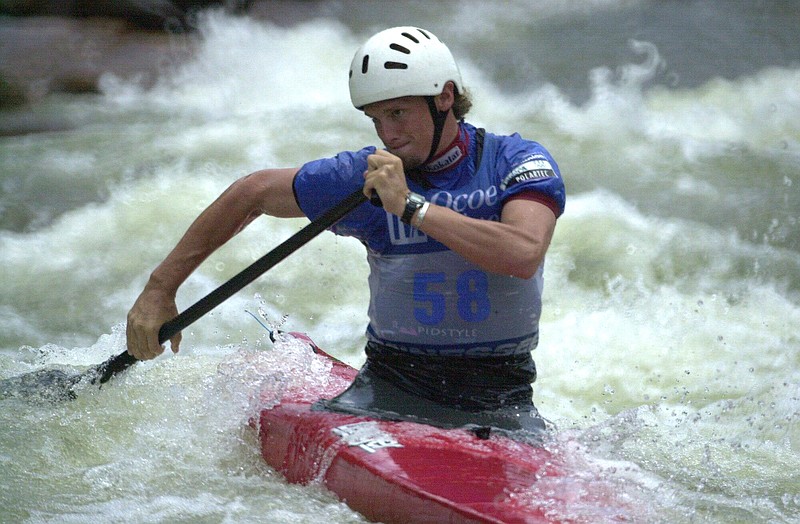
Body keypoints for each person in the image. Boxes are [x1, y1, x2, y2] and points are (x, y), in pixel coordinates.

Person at [126, 26, 565, 437]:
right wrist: (159, 288)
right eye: (376, 120)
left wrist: (410, 207)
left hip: (502, 397)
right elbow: (252, 193)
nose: (388, 134)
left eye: (398, 113)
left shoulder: (515, 160)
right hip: (388, 389)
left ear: (445, 96)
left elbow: (523, 253)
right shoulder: (364, 177)